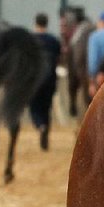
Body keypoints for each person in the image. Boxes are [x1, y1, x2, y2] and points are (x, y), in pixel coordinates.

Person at [28, 12, 61, 150]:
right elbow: (59, 58)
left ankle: (40, 125)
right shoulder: (54, 40)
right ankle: (45, 132)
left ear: (35, 23)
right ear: (47, 23)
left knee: (34, 106)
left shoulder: (29, 40)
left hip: (34, 79)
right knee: (46, 107)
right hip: (50, 79)